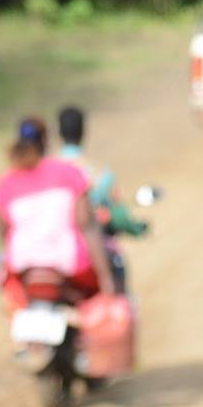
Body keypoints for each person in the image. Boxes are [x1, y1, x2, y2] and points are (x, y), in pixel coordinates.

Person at [0, 115, 115, 311]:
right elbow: (87, 226)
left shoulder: (5, 184)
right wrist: (106, 280)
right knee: (96, 307)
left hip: (23, 268)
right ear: (45, 140)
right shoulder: (68, 172)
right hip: (69, 265)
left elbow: (3, 232)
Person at [55, 104, 146, 292]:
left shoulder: (47, 173)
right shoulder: (100, 174)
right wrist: (136, 228)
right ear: (83, 131)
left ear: (59, 132)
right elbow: (119, 214)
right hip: (89, 258)